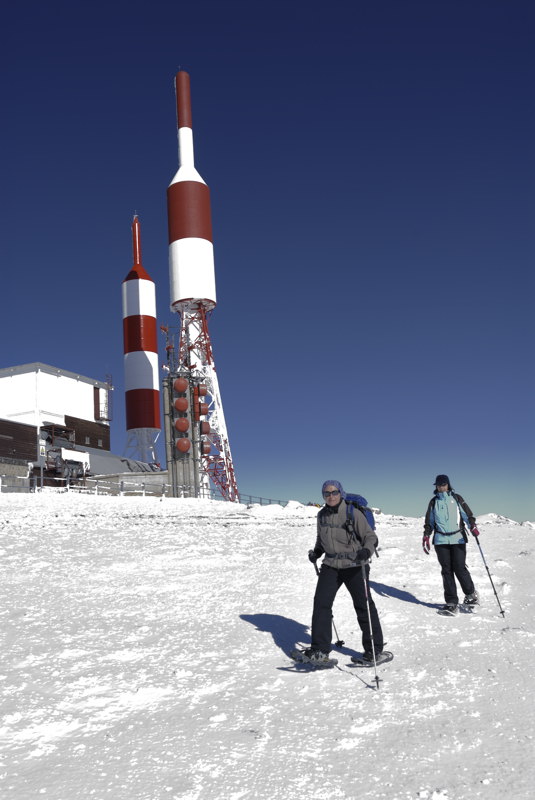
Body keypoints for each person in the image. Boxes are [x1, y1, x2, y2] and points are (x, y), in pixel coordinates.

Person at [303, 480, 387, 665]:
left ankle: (375, 650)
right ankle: (319, 650)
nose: (330, 496)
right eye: (326, 493)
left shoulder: (352, 512)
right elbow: (321, 539)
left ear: (341, 493)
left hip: (355, 564)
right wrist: (317, 552)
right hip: (331, 564)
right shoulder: (321, 515)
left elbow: (370, 537)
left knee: (363, 605)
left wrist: (366, 550)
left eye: (334, 492)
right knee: (321, 604)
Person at [423, 474, 481, 615]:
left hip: (458, 538)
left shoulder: (457, 498)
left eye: (443, 484)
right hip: (441, 541)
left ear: (448, 485)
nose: (441, 487)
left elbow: (467, 515)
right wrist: (426, 535)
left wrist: (472, 525)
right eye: (438, 485)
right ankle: (451, 603)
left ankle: (471, 595)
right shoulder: (433, 502)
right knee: (446, 570)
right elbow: (429, 521)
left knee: (459, 568)